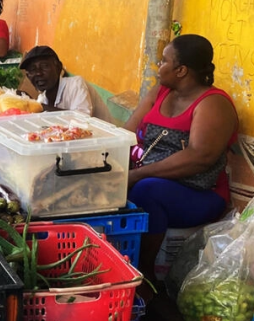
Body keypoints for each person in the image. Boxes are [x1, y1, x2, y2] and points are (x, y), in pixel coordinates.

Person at [124, 34, 237, 305]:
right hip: (148, 179)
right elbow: (126, 132)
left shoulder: (213, 103)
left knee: (146, 191)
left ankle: (146, 276)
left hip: (199, 194)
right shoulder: (160, 91)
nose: (158, 66)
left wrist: (138, 174)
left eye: (164, 61)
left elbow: (200, 157)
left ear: (181, 69)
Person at [19, 46, 114, 122]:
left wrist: (39, 106)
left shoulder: (75, 85)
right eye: (32, 70)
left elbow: (81, 121)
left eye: (44, 66)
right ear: (28, 76)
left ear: (58, 67)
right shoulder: (42, 98)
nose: (38, 73)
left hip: (106, 144)